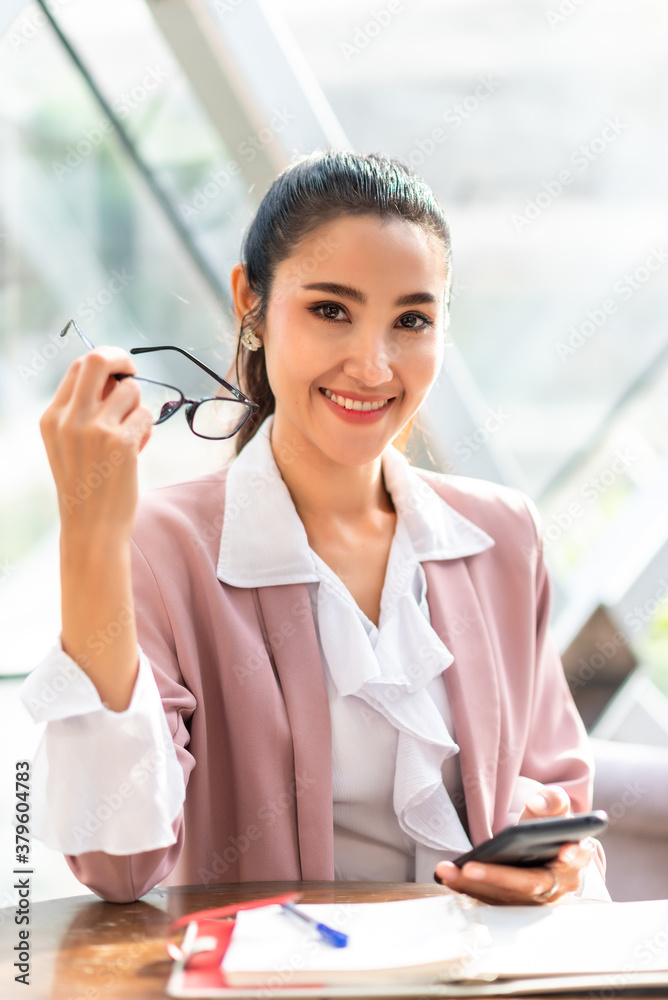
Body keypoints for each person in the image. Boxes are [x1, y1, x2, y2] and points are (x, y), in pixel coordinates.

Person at [22, 150, 607, 905]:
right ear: (252, 306)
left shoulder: (501, 533)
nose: (372, 364)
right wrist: (89, 537)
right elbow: (117, 864)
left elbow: (563, 802)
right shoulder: (162, 548)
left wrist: (559, 868)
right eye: (331, 309)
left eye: (412, 320)